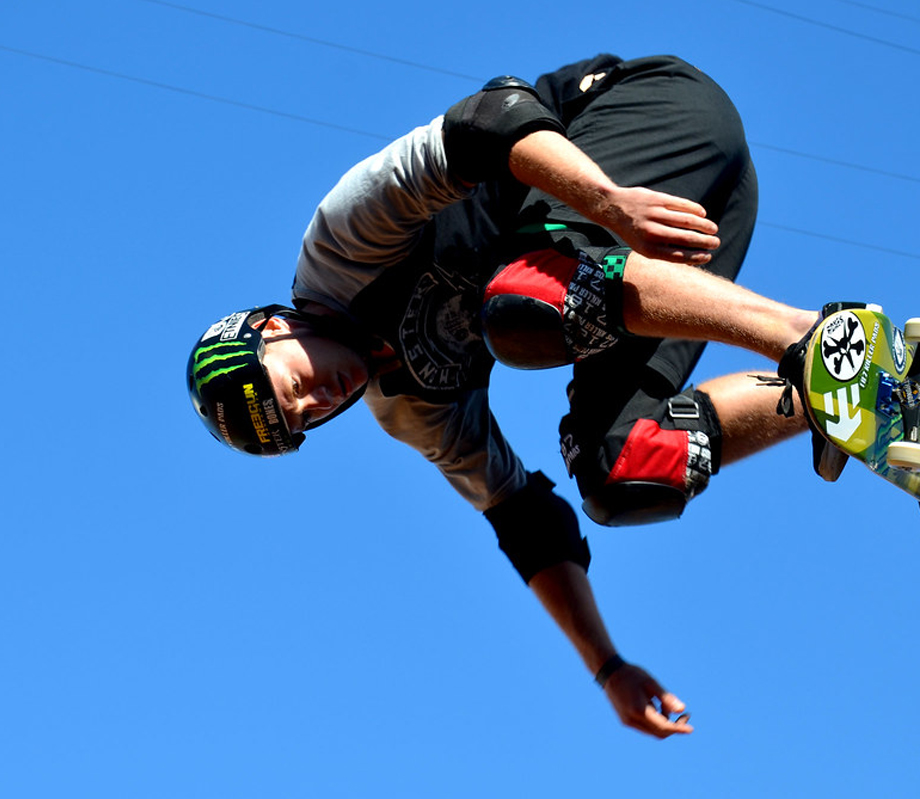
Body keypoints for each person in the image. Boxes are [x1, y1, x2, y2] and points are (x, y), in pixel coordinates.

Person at [187, 54, 826, 738]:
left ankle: (807, 336)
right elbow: (523, 521)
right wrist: (608, 667)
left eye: (291, 389)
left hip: (652, 118)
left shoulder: (344, 245)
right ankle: (838, 394)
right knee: (625, 472)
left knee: (520, 307)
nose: (317, 403)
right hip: (684, 227)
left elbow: (491, 115)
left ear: (274, 327)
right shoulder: (412, 407)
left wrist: (608, 202)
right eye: (304, 421)